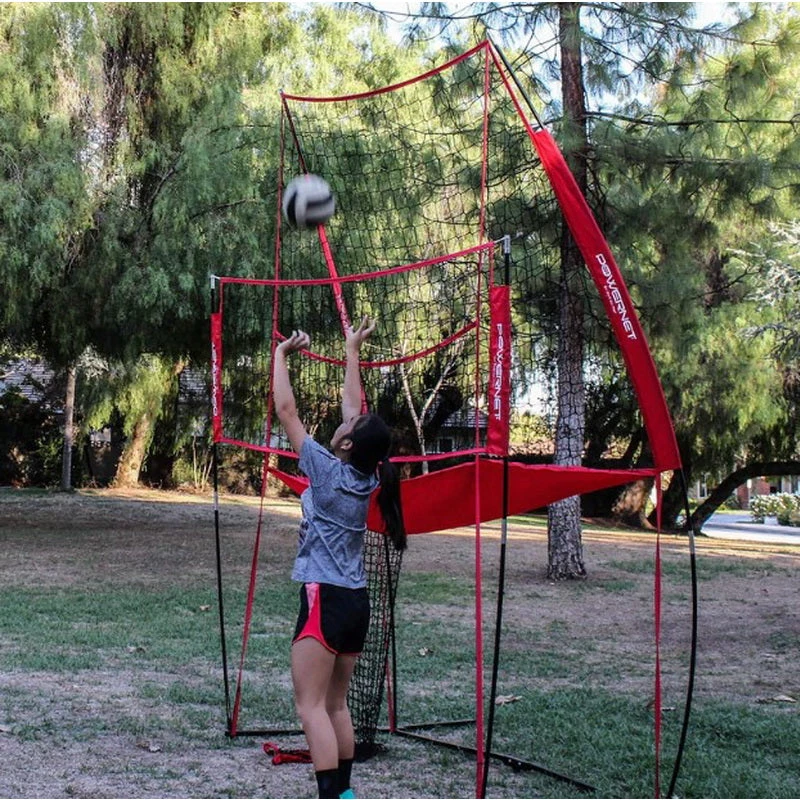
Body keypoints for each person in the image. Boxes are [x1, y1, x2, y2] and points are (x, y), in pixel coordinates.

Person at [272, 316, 406, 800]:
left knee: (310, 707)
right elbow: (355, 408)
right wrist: (351, 351)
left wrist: (281, 356)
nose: (345, 418)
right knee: (335, 705)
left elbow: (286, 410)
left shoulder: (326, 472)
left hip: (325, 597)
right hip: (355, 602)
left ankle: (332, 797)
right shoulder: (369, 476)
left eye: (348, 425)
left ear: (348, 443)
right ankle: (345, 795)